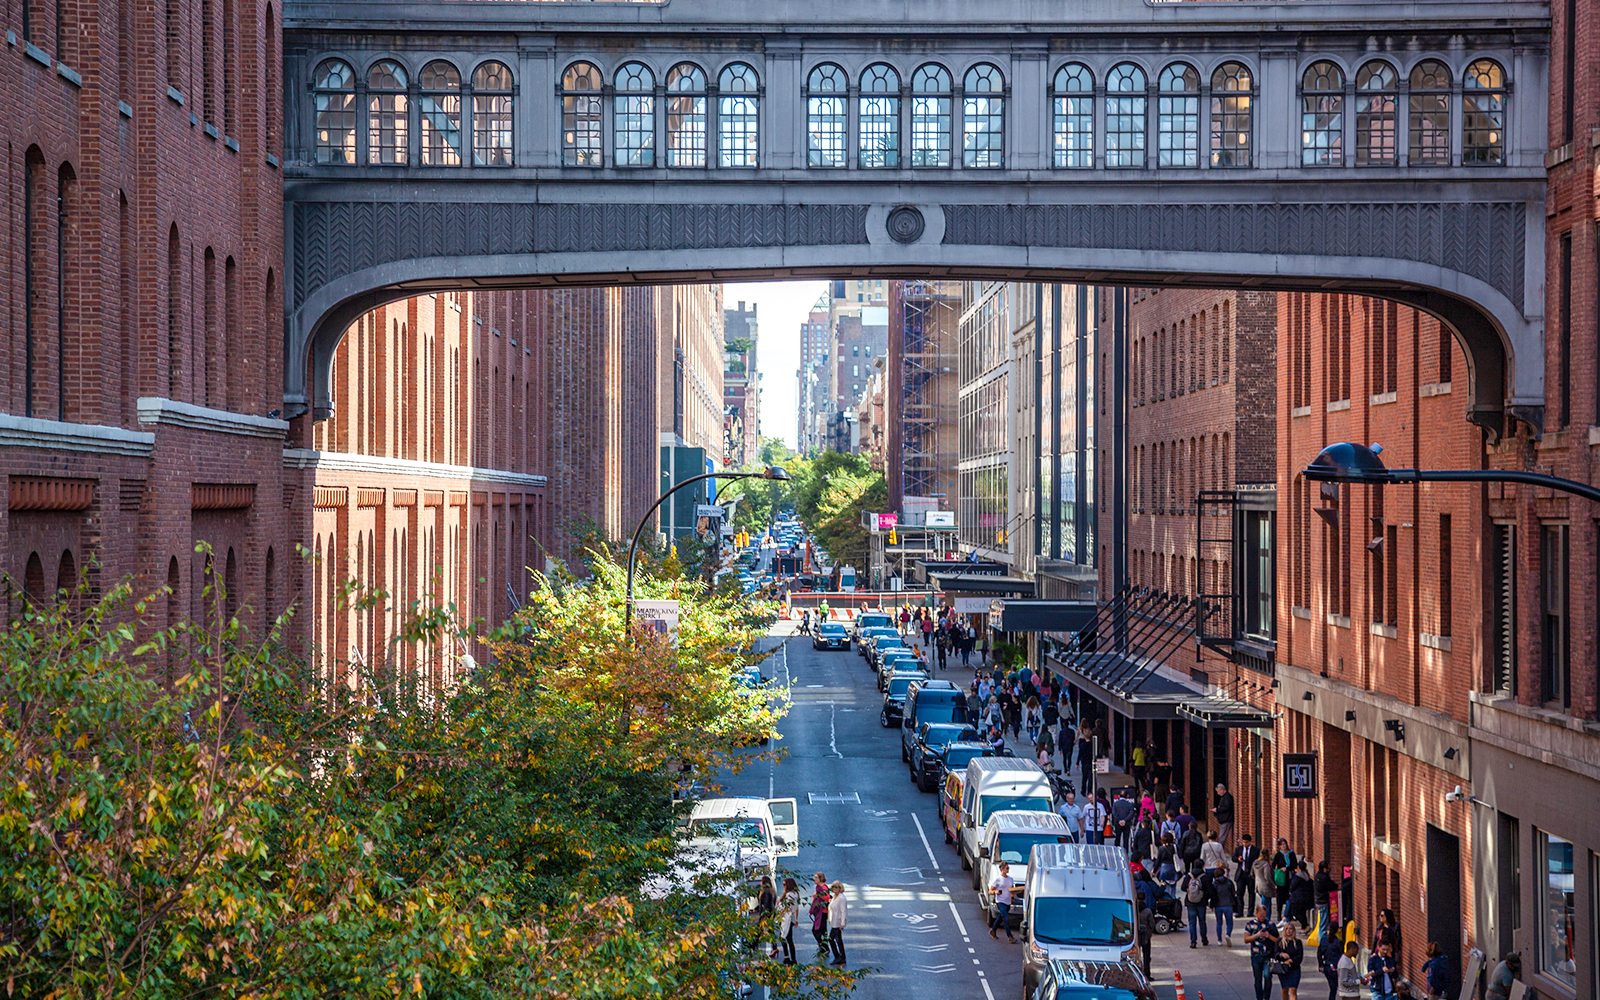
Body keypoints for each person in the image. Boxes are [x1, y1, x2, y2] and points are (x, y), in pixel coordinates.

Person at [1244, 904, 1281, 1000]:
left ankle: (1266, 997)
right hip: (1256, 955)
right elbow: (1246, 939)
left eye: (1264, 915)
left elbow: (1278, 941)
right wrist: (1257, 935)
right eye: (1260, 915)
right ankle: (1259, 997)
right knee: (1258, 979)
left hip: (1268, 956)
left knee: (1267, 976)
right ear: (1256, 913)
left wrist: (1269, 936)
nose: (1262, 917)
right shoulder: (1250, 924)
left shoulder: (1271, 924)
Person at [989, 861, 1019, 943]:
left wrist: (1018, 891)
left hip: (1008, 902)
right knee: (1005, 918)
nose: (1008, 870)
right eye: (1007, 868)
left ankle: (993, 930)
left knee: (1000, 918)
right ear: (1002, 869)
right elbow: (990, 890)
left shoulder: (1010, 879)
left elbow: (1012, 890)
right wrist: (995, 892)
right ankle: (1010, 936)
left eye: (1008, 868)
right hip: (1000, 901)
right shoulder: (997, 879)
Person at [1181, 868, 1211, 947]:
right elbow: (1210, 889)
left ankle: (1193, 941)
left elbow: (1183, 887)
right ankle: (1204, 940)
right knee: (1202, 922)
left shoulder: (1188, 876)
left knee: (1192, 923)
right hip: (1201, 903)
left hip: (1190, 903)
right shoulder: (1205, 877)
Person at [1235, 833, 1263, 914]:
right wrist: (1238, 859)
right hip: (1241, 873)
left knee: (1251, 893)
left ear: (1250, 842)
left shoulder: (1256, 850)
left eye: (1246, 842)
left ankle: (1250, 911)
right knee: (1240, 893)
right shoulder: (1239, 849)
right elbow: (1234, 857)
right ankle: (1240, 911)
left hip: (1251, 874)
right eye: (1243, 842)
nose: (1245, 844)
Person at [1277, 919, 1305, 1000]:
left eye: (1290, 929)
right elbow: (1275, 954)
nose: (1288, 931)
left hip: (1294, 969)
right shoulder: (1280, 942)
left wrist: (1291, 960)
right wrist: (1281, 954)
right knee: (1284, 989)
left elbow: (1300, 956)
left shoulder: (1298, 942)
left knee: (1293, 989)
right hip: (1283, 969)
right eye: (1286, 929)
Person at [1316, 921, 1345, 1000]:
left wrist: (1321, 965)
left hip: (1327, 966)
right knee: (1339, 988)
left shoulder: (1324, 939)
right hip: (1335, 967)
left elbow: (1319, 953)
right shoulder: (1339, 942)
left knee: (1333, 988)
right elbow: (1342, 956)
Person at [1272, 839, 1299, 920]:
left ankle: (1289, 914)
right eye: (1281, 845)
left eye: (1284, 844)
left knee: (1290, 896)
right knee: (1280, 897)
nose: (1283, 846)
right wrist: (1279, 870)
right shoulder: (1278, 855)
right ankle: (1279, 914)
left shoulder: (1291, 853)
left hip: (1289, 877)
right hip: (1281, 879)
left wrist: (1287, 868)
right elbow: (1273, 865)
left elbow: (1294, 865)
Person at [777, 877, 801, 964]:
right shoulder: (795, 894)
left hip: (786, 918)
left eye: (784, 884)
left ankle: (790, 958)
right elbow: (796, 908)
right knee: (788, 938)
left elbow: (786, 908)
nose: (783, 886)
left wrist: (779, 903)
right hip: (791, 918)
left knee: (785, 938)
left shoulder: (789, 895)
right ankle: (790, 958)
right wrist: (796, 919)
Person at [1213, 865, 1237, 946]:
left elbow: (1213, 895)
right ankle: (1228, 934)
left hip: (1218, 905)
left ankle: (1219, 940)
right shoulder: (1229, 882)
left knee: (1219, 923)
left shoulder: (1215, 884)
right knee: (1229, 922)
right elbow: (1233, 892)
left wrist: (1211, 905)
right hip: (1228, 904)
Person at [826, 881, 848, 966]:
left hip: (837, 922)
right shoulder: (835, 896)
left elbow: (843, 911)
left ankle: (838, 956)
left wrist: (842, 923)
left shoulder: (841, 898)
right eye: (833, 887)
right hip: (834, 921)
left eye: (836, 887)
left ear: (840, 888)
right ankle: (842, 957)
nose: (834, 889)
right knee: (838, 940)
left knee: (831, 939)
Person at [809, 873, 831, 955]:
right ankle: (824, 948)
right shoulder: (822, 887)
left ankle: (824, 948)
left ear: (820, 878)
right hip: (821, 912)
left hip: (822, 912)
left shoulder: (822, 888)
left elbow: (827, 898)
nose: (814, 879)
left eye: (816, 877)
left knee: (816, 930)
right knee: (822, 931)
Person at [1287, 862, 1314, 928]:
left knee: (1295, 913)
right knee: (1302, 912)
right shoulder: (1307, 876)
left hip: (1297, 898)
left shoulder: (1297, 876)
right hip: (1306, 898)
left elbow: (1292, 886)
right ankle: (1303, 927)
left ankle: (1305, 925)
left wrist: (1290, 891)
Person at [1313, 861, 1337, 935]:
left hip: (1318, 901)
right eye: (1328, 868)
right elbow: (1331, 886)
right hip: (1323, 902)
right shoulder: (1324, 878)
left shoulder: (1317, 876)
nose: (1329, 870)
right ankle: (1322, 941)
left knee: (1322, 922)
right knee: (1323, 924)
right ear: (1324, 869)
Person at [756, 876, 777, 956]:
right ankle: (775, 948)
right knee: (770, 931)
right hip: (770, 913)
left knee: (759, 931)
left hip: (766, 914)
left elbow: (765, 904)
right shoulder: (769, 891)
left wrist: (763, 916)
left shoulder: (766, 892)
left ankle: (753, 948)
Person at [1213, 783, 1236, 851]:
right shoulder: (1224, 797)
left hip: (1226, 820)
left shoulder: (1227, 797)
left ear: (1222, 790)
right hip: (1224, 819)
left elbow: (1226, 807)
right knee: (1221, 836)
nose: (1218, 793)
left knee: (1222, 836)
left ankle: (1218, 851)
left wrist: (1217, 809)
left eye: (1218, 791)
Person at [1137, 902, 1155, 979]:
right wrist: (1149, 932)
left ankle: (1137, 974)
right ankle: (1147, 974)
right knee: (1146, 956)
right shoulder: (1147, 911)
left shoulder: (1134, 910)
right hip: (1145, 936)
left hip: (1136, 937)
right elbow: (1152, 924)